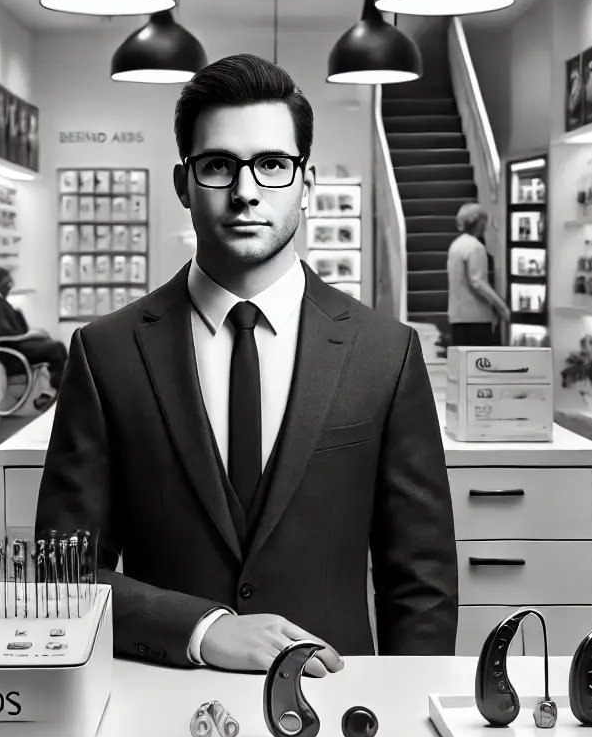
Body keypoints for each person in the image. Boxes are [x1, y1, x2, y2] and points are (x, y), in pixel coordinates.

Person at [37, 54, 457, 674]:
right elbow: (61, 574)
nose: (246, 191)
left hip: (338, 703)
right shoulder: (107, 353)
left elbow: (421, 581)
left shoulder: (384, 352)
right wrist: (203, 630)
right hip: (162, 701)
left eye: (272, 164)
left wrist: (398, 712)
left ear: (306, 184)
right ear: (183, 184)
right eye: (217, 165)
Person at [0, 266, 67, 395]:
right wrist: (31, 336)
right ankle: (59, 388)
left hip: (18, 347)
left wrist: (18, 316)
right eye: (8, 282)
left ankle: (58, 387)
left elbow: (21, 330)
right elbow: (4, 334)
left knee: (54, 345)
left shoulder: (0, 303)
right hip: (13, 353)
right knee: (57, 347)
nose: (10, 286)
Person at [447, 202, 510, 348]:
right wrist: (501, 306)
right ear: (480, 222)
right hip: (476, 317)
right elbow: (478, 282)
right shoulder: (476, 247)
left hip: (457, 316)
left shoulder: (456, 245)